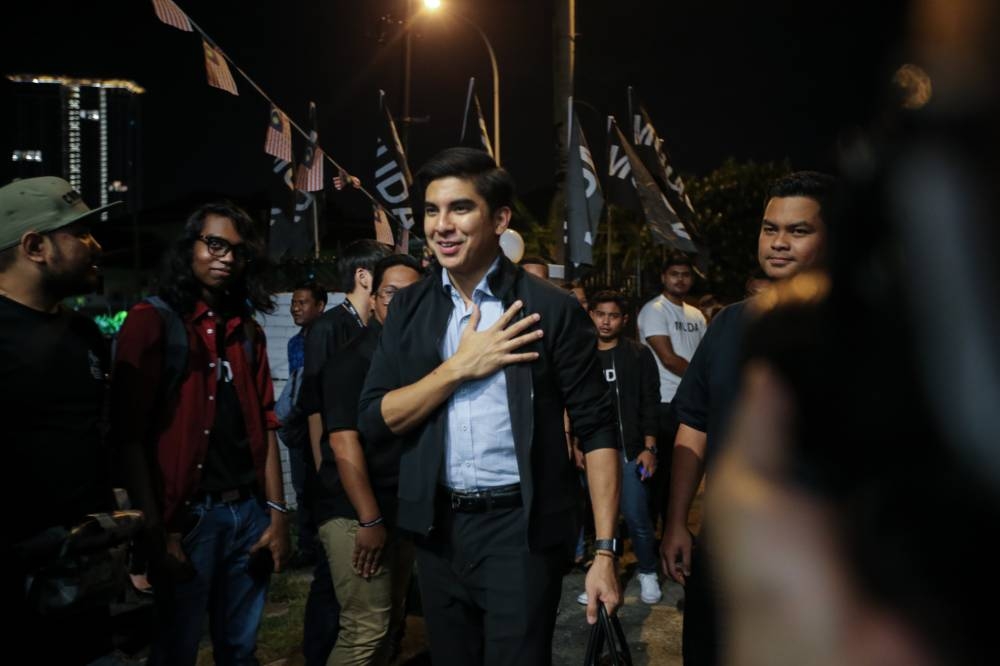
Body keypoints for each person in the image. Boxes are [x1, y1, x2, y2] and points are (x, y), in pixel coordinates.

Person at [358, 147, 621, 665]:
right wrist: (459, 367)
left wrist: (605, 552)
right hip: (437, 531)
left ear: (500, 218)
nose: (442, 225)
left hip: (519, 532)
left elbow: (598, 431)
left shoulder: (551, 309)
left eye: (460, 208)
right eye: (432, 211)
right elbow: (375, 418)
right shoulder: (408, 308)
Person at [660, 171, 834, 665]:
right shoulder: (727, 326)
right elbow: (694, 425)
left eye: (798, 231)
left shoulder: (864, 332)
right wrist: (676, 522)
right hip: (725, 549)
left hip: (819, 560)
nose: (778, 243)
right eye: (769, 228)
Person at [112, 201, 290, 666]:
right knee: (177, 650)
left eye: (237, 249)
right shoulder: (152, 321)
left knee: (240, 649)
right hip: (188, 522)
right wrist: (158, 530)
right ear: (189, 247)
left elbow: (267, 423)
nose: (226, 257)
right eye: (214, 244)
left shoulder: (245, 330)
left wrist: (276, 514)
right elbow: (128, 436)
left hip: (249, 513)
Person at [1, 176, 120, 664]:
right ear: (35, 246)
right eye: (81, 232)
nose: (96, 245)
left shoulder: (86, 334)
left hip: (81, 581)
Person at [319, 254, 423, 665]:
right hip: (357, 514)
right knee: (366, 630)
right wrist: (369, 519)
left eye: (412, 295)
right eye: (392, 294)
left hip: (400, 511)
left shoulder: (417, 358)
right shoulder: (352, 360)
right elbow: (343, 445)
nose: (401, 303)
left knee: (391, 624)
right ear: (376, 299)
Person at [297, 239, 389, 665]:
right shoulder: (330, 326)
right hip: (338, 479)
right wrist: (324, 472)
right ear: (365, 276)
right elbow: (316, 405)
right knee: (331, 592)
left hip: (366, 478)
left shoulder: (371, 326)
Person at [576, 291, 662, 605]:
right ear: (591, 315)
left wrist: (649, 448)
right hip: (593, 453)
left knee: (638, 515)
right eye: (600, 314)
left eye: (613, 315)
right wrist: (574, 443)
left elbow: (651, 401)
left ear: (624, 320)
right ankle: (601, 574)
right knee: (600, 520)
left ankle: (648, 571)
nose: (606, 321)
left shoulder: (638, 354)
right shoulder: (581, 354)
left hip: (631, 452)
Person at [637, 252, 706, 528]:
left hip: (688, 403)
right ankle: (647, 540)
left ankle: (672, 533)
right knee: (657, 475)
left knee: (683, 474)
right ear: (664, 278)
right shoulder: (654, 310)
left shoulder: (697, 314)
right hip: (662, 402)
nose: (680, 279)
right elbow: (668, 358)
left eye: (686, 274)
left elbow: (704, 356)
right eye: (674, 274)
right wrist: (702, 379)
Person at [277, 280, 327, 568]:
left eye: (302, 302)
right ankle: (308, 547)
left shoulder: (330, 336)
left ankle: (325, 546)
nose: (296, 308)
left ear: (320, 306)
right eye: (294, 303)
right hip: (300, 426)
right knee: (302, 487)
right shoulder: (295, 342)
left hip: (323, 425)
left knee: (323, 486)